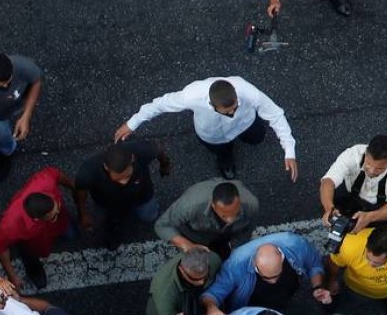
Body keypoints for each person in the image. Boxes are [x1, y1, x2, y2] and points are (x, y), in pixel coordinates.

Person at [116, 77, 297, 182]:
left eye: (235, 107)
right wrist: (132, 123)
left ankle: (235, 147)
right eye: (227, 112)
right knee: (222, 152)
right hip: (213, 135)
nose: (232, 112)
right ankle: (226, 159)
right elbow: (160, 105)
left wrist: (289, 150)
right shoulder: (191, 96)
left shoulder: (247, 91)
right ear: (212, 104)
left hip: (246, 123)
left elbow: (275, 114)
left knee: (257, 137)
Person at [200, 233, 326, 315]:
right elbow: (212, 294)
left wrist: (317, 287)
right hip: (252, 307)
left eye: (277, 275)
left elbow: (314, 265)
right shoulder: (235, 265)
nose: (274, 282)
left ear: (282, 257)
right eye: (266, 278)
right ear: (254, 264)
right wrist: (211, 308)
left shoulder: (297, 244)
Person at [0, 166, 78, 290]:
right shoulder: (10, 225)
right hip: (32, 242)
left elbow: (57, 175)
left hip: (58, 225)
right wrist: (12, 276)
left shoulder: (45, 180)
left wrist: (73, 187)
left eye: (57, 206)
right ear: (37, 219)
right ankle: (34, 270)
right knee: (30, 254)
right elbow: (1, 248)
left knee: (72, 234)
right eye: (53, 216)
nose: (58, 210)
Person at [74, 140, 170, 249]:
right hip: (106, 203)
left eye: (127, 176)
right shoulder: (88, 171)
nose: (124, 182)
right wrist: (83, 213)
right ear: (106, 167)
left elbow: (158, 149)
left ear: (132, 159)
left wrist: (164, 163)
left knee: (150, 216)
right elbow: (81, 191)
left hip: (141, 196)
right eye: (119, 178)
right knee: (103, 226)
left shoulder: (143, 151)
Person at [319, 135, 387, 234]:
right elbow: (328, 181)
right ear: (366, 153)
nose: (372, 171)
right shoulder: (352, 154)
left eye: (379, 168)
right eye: (368, 164)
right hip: (351, 200)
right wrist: (329, 208)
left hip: (382, 208)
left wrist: (370, 217)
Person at [155, 178, 260, 258]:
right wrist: (187, 246)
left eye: (236, 213)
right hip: (195, 237)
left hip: (225, 237)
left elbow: (247, 230)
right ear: (213, 206)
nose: (231, 220)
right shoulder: (190, 205)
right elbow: (162, 225)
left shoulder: (251, 205)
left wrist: (236, 247)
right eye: (224, 216)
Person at [145, 247, 221, 315]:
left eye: (205, 276)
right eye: (194, 278)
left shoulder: (213, 260)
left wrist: (207, 312)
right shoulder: (165, 292)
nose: (201, 282)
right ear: (181, 269)